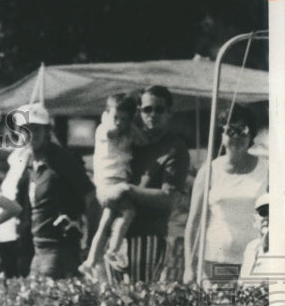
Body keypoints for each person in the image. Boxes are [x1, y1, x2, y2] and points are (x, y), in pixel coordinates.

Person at [105, 85, 190, 284]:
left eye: (159, 109)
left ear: (170, 112)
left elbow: (168, 199)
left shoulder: (175, 148)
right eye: (147, 109)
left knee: (139, 302)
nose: (153, 114)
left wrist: (127, 190)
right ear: (139, 112)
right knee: (114, 304)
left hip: (147, 236)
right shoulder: (130, 139)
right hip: (116, 234)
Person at [2, 102, 92, 280]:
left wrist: (90, 243)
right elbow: (17, 207)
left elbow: (91, 197)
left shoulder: (62, 160)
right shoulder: (29, 164)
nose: (31, 134)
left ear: (47, 131)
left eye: (36, 129)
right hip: (36, 249)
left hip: (60, 249)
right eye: (25, 129)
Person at [183, 105, 269, 284]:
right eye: (231, 131)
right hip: (214, 261)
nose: (237, 137)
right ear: (221, 135)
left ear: (251, 134)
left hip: (255, 261)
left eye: (243, 130)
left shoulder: (268, 170)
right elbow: (194, 222)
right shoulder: (209, 171)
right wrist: (189, 267)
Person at [79, 94, 145, 278]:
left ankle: (90, 261)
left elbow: (143, 141)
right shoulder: (103, 128)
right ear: (106, 114)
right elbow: (112, 133)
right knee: (129, 212)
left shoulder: (126, 130)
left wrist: (132, 124)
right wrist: (128, 125)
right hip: (110, 181)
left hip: (113, 181)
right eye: (115, 117)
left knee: (106, 222)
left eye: (124, 119)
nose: (119, 122)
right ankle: (113, 250)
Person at [239, 192, 273, 283]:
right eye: (263, 212)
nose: (267, 217)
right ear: (254, 221)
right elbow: (242, 285)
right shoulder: (251, 247)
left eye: (273, 213)